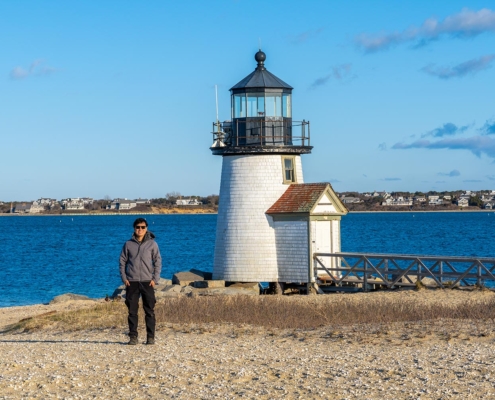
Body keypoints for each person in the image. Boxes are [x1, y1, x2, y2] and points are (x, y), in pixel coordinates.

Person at [119, 218, 162, 345]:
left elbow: (158, 262)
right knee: (132, 311)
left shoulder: (152, 244)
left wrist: (155, 279)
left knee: (149, 310)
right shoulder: (128, 244)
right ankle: (133, 337)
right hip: (131, 282)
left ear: (146, 228)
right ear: (134, 228)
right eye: (138, 227)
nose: (140, 229)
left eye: (143, 227)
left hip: (147, 282)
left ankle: (150, 337)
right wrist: (124, 278)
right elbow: (122, 262)